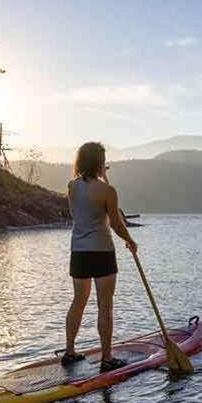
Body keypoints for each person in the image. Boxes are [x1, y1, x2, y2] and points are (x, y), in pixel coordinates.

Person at [63, 141, 138, 371]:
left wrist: (104, 179)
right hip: (102, 251)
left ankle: (70, 351)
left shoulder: (72, 185)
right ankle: (107, 358)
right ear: (99, 162)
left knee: (79, 301)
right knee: (105, 306)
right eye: (103, 160)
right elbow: (115, 222)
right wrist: (130, 240)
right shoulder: (108, 191)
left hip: (79, 252)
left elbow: (85, 209)